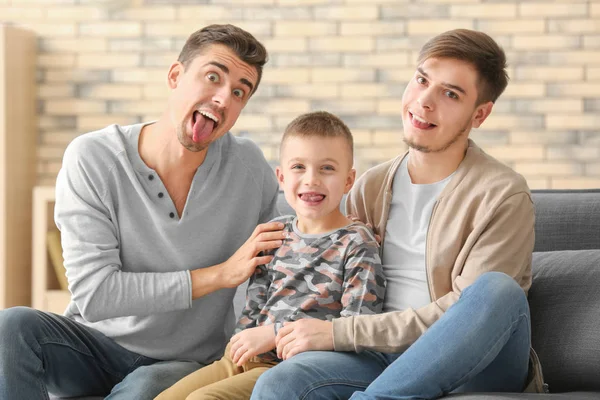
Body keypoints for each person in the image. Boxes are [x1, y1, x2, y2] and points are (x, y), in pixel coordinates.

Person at [251, 29, 544, 400]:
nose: (424, 101)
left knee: (497, 290)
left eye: (450, 94)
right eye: (422, 80)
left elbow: (468, 314)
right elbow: (334, 274)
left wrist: (340, 333)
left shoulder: (502, 193)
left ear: (479, 114)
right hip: (378, 357)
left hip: (471, 361)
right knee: (282, 382)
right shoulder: (371, 185)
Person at [0, 24, 287, 400]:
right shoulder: (94, 158)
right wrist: (219, 275)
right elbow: (95, 293)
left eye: (238, 92)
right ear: (175, 76)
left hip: (182, 361)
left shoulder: (249, 169)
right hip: (93, 344)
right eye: (213, 77)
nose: (222, 98)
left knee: (146, 388)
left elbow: (290, 247)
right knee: (11, 326)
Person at [155, 111, 386, 400]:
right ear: (281, 176)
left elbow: (358, 326)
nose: (311, 180)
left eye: (327, 168)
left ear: (349, 180)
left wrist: (275, 334)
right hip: (243, 358)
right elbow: (255, 306)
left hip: (290, 367)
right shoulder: (274, 234)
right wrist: (241, 342)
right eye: (299, 167)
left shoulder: (357, 242)